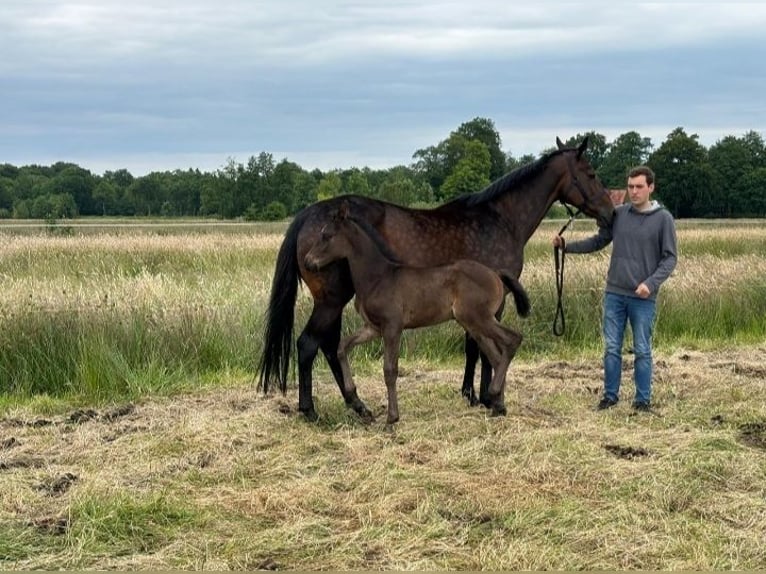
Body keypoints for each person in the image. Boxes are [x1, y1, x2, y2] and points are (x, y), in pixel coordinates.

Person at [553, 166, 677, 412]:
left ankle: (642, 401)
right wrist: (566, 246)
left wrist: (650, 284)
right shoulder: (618, 214)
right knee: (611, 348)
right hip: (614, 294)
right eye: (630, 186)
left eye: (639, 186)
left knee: (642, 349)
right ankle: (610, 396)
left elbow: (670, 258)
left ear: (651, 187)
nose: (634, 191)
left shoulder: (664, 219)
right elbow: (599, 241)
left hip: (643, 298)